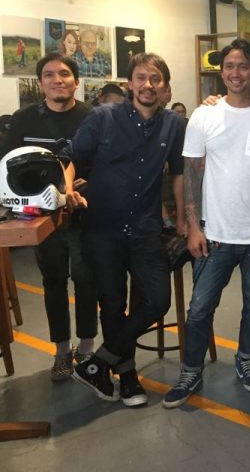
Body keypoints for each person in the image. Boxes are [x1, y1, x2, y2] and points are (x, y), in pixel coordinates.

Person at [163, 39, 250, 408]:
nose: (236, 73)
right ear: (221, 72)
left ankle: (246, 359)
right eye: (229, 66)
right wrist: (193, 226)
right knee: (200, 308)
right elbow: (191, 174)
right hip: (215, 234)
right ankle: (191, 370)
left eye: (243, 66)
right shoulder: (203, 116)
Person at [69, 52, 185, 407]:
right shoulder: (103, 117)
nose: (148, 85)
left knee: (158, 300)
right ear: (130, 83)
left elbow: (179, 174)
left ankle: (98, 363)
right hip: (102, 228)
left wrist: (183, 219)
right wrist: (68, 188)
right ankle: (129, 376)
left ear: (165, 86)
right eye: (141, 78)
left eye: (156, 79)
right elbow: (70, 158)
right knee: (113, 304)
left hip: (145, 229)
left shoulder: (174, 125)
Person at [7, 53, 97, 381]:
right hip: (43, 218)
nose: (57, 80)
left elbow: (105, 161)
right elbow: (10, 166)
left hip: (84, 213)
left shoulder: (93, 117)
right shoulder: (24, 120)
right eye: (49, 74)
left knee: (87, 280)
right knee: (54, 281)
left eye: (64, 74)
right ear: (40, 82)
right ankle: (61, 349)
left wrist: (88, 183)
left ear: (76, 80)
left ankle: (86, 347)